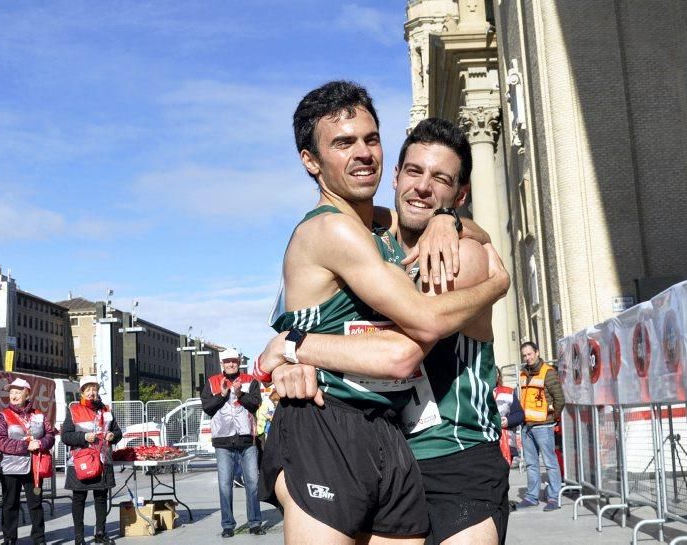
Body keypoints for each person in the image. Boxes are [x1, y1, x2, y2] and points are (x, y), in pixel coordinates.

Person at [258, 82, 509, 545]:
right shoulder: (357, 235)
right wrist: (289, 356)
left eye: (370, 139)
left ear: (460, 192)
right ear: (396, 177)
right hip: (352, 432)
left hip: (455, 454)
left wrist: (452, 224)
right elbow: (303, 325)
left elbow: (400, 352)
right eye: (414, 171)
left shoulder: (462, 252)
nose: (423, 187)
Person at [200, 347, 265, 537]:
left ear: (238, 362)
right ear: (222, 363)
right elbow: (207, 408)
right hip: (223, 441)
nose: (231, 364)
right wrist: (221, 395)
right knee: (224, 484)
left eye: (234, 361)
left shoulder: (250, 381)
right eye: (227, 361)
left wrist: (240, 394)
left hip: (247, 439)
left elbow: (255, 404)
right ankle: (228, 525)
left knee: (252, 483)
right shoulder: (212, 382)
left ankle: (255, 523)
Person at [0, 377, 55, 545]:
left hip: (34, 467)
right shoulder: (2, 416)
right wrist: (26, 446)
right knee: (10, 505)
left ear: (27, 394)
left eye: (18, 392)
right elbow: (0, 441)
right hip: (10, 468)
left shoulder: (39, 415)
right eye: (11, 392)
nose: (13, 395)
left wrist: (41, 443)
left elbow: (50, 434)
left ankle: (39, 539)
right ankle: (9, 539)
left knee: (35, 505)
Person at [503, 341, 565, 511]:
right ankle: (532, 497)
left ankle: (553, 498)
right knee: (531, 464)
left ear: (537, 353)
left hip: (543, 426)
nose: (527, 358)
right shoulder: (523, 374)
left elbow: (559, 399)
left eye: (530, 354)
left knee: (550, 463)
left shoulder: (548, 373)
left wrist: (551, 417)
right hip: (526, 427)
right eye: (524, 355)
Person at [61, 376, 122, 545]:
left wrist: (113, 436)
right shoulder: (74, 409)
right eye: (87, 389)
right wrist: (84, 437)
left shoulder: (106, 409)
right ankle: (79, 537)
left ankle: (100, 533)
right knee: (79, 498)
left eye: (94, 389)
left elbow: (118, 432)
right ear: (81, 392)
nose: (91, 392)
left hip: (103, 459)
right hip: (80, 462)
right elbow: (65, 436)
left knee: (101, 497)